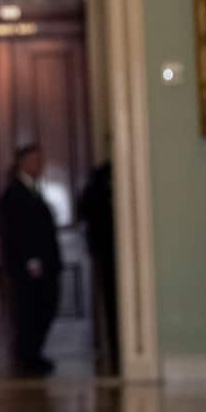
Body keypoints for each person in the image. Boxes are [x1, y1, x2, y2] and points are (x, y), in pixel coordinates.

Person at [0, 144, 62, 376]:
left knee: (43, 309)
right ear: (22, 162)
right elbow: (19, 232)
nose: (39, 165)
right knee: (30, 312)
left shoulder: (32, 189)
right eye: (34, 160)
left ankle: (33, 355)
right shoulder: (15, 193)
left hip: (43, 265)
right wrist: (32, 261)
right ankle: (28, 358)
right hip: (30, 268)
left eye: (40, 160)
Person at [77, 159, 117, 373]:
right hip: (106, 253)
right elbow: (84, 212)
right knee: (111, 302)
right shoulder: (97, 185)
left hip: (113, 252)